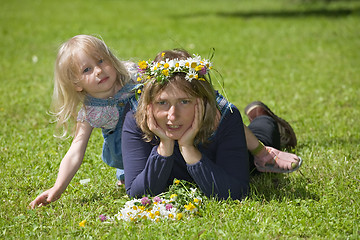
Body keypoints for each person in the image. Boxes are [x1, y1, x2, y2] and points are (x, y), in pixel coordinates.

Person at [121, 49, 302, 200]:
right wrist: (165, 147)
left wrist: (188, 149)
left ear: (201, 101)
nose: (172, 116)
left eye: (184, 101)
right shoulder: (136, 121)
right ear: (150, 103)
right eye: (162, 103)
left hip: (236, 155)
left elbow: (235, 192)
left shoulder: (224, 118)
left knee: (262, 138)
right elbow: (138, 194)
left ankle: (264, 118)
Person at [29, 35, 138, 208]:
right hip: (126, 153)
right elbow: (75, 151)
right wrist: (57, 188)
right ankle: (127, 172)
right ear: (76, 84)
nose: (99, 71)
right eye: (87, 69)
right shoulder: (91, 112)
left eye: (101, 61)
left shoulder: (132, 76)